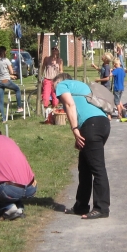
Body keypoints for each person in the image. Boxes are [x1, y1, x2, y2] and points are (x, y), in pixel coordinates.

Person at [54, 72, 111, 219]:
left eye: (56, 92)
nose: (56, 95)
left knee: (97, 168)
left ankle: (102, 208)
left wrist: (74, 129)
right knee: (85, 167)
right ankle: (81, 206)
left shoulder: (62, 84)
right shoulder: (81, 86)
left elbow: (69, 104)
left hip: (91, 125)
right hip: (101, 124)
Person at [0, 46, 22, 114]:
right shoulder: (6, 60)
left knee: (1, 101)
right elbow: (11, 72)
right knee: (17, 89)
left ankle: (3, 119)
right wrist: (12, 75)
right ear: (4, 52)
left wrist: (10, 76)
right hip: (6, 81)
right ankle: (19, 107)